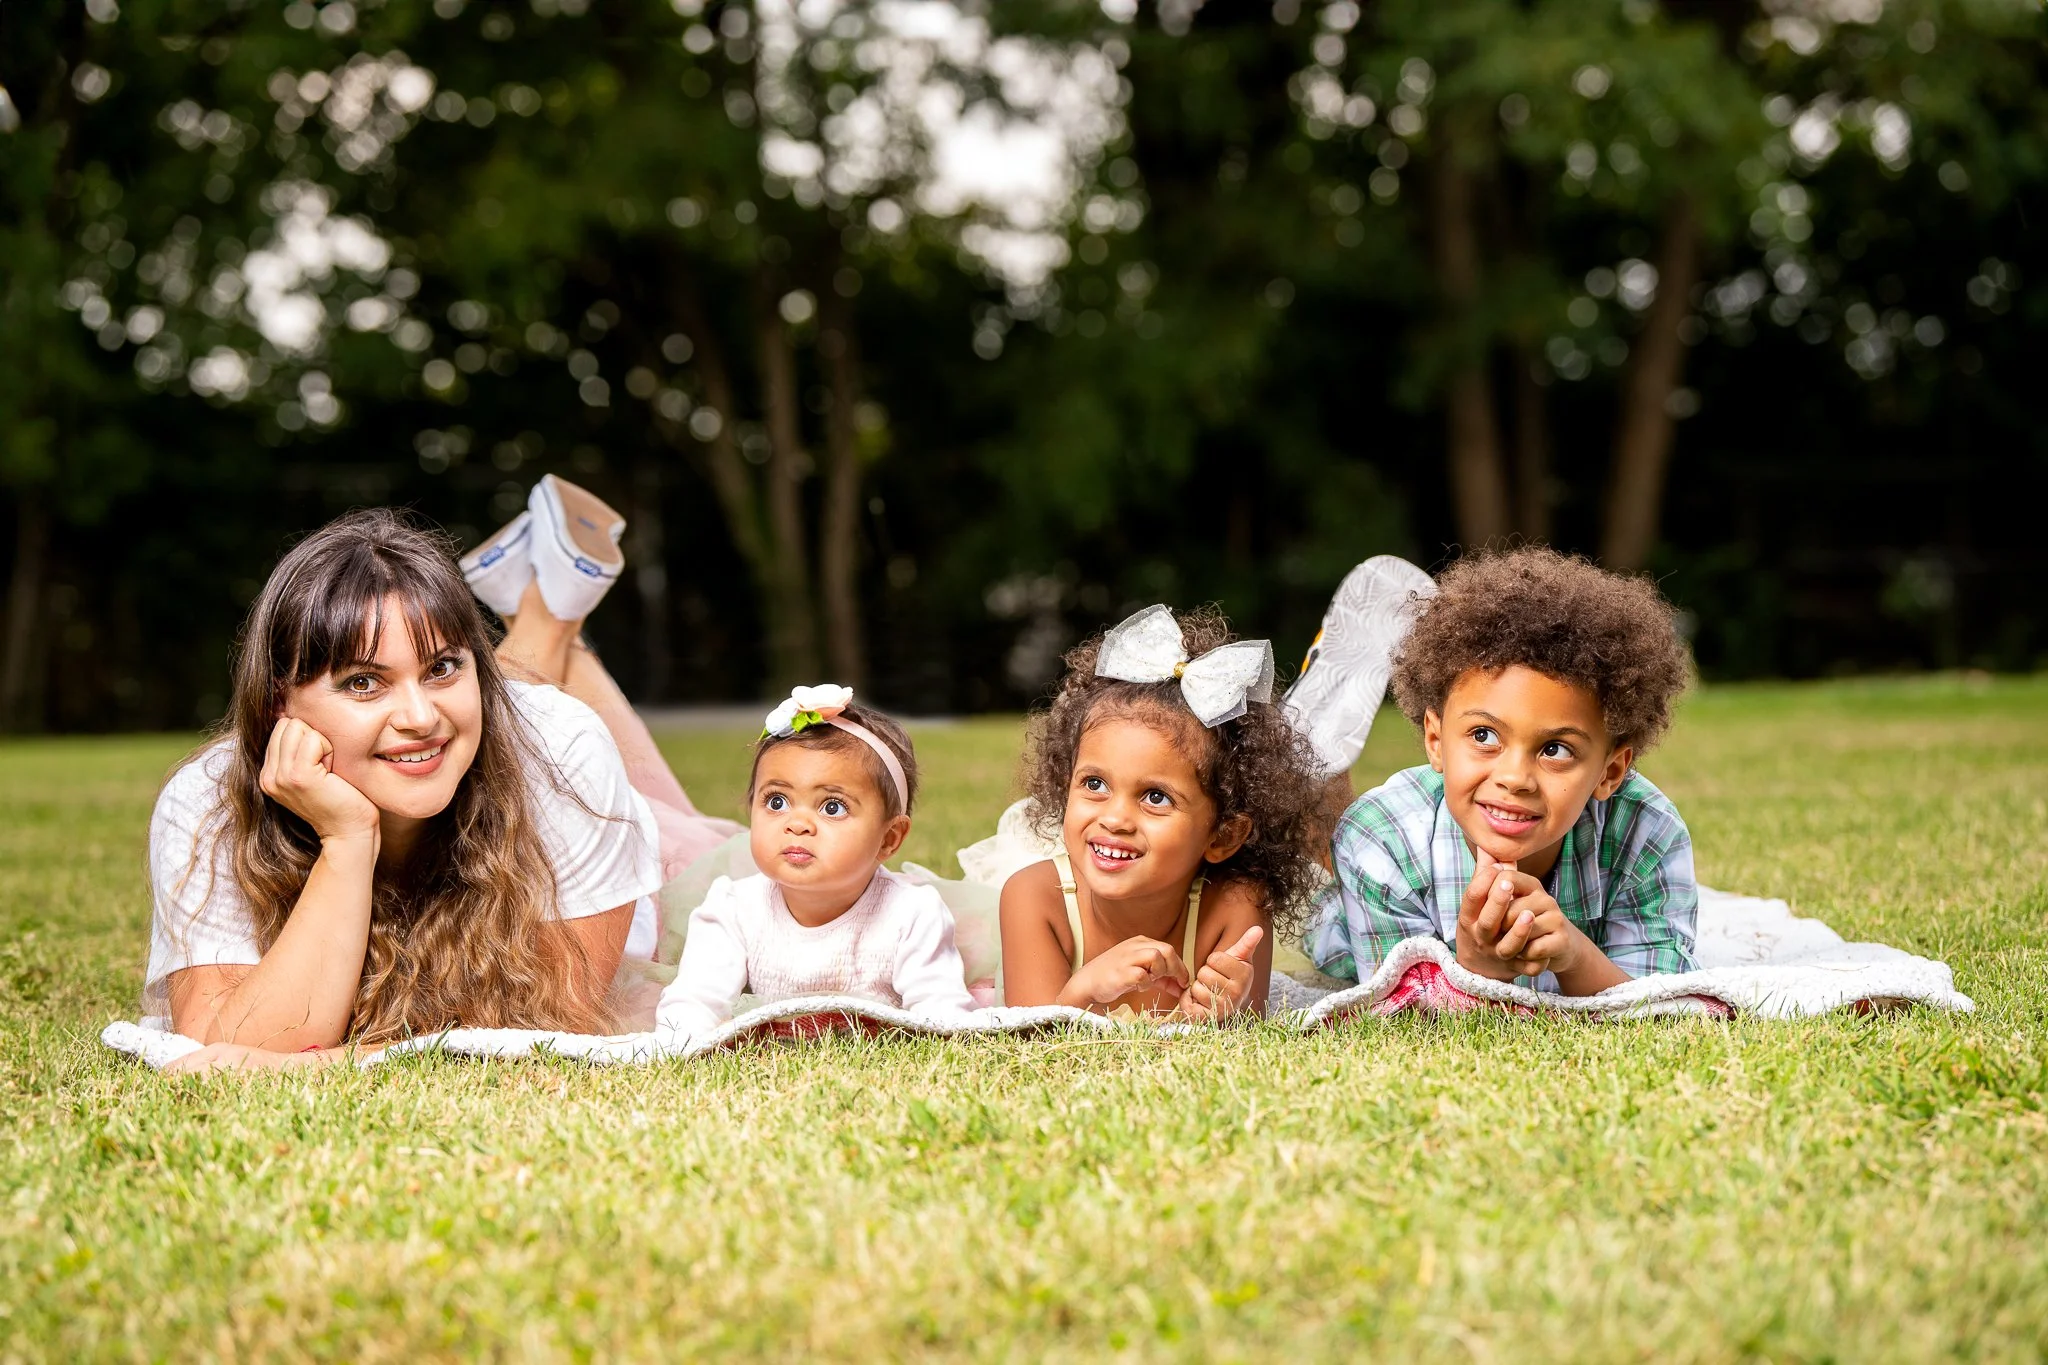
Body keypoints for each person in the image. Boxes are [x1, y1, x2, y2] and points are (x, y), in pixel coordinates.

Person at [148, 494, 677, 1070]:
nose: (420, 716)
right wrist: (347, 843)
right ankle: (548, 610)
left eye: (443, 667)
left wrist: (325, 1064)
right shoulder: (208, 799)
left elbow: (550, 1029)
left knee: (713, 840)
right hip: (509, 752)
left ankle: (547, 616)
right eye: (362, 683)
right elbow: (218, 1044)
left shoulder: (561, 753)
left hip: (646, 857)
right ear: (279, 703)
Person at [1290, 546, 1699, 995]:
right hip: (1368, 906)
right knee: (1323, 897)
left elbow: (1664, 1005)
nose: (1515, 778)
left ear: (1611, 771)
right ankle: (1314, 785)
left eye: (1556, 748)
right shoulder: (1380, 837)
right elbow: (1400, 1013)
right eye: (1484, 735)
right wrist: (1475, 972)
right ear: (1435, 740)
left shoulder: (1646, 831)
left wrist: (1576, 955)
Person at [995, 604, 1328, 1019]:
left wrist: (1220, 1016)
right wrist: (1084, 990)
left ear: (1222, 836)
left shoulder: (1235, 906)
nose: (1115, 819)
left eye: (1156, 797)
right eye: (1094, 784)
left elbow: (1242, 1047)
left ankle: (1331, 748)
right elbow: (1028, 1047)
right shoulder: (1034, 899)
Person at [652, 687, 976, 1041]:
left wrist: (941, 1024)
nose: (797, 824)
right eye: (776, 802)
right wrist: (679, 1040)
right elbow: (696, 999)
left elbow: (940, 1012)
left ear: (888, 839)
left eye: (832, 807)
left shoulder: (911, 913)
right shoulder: (734, 908)